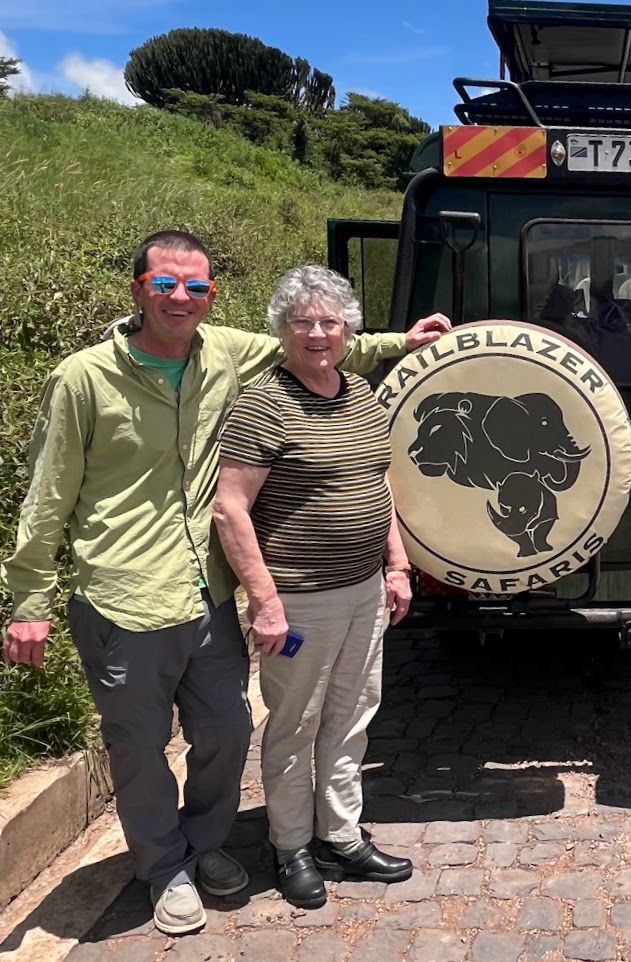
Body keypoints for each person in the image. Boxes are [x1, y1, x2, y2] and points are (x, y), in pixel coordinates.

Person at [0, 231, 450, 936]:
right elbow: (48, 496)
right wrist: (28, 602)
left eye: (196, 287)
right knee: (140, 745)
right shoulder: (85, 378)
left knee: (227, 731)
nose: (180, 297)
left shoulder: (226, 354)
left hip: (205, 591)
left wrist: (407, 340)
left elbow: (331, 342)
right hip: (125, 592)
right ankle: (164, 868)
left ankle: (210, 845)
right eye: (166, 283)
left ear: (211, 296)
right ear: (137, 288)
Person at [212, 265, 414, 909]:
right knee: (295, 724)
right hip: (298, 601)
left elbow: (377, 487)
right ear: (283, 331)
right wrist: (266, 604)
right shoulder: (263, 406)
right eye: (303, 323)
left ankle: (341, 837)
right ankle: (291, 845)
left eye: (329, 322)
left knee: (352, 716)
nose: (318, 333)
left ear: (348, 329)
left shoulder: (360, 394)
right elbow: (230, 510)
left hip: (363, 591)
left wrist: (397, 564)